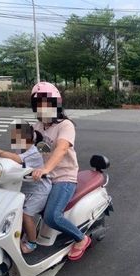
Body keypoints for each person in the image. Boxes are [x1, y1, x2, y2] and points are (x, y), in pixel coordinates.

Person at [30, 81, 91, 261]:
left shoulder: (66, 125)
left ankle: (81, 238)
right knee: (25, 205)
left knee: (51, 216)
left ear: (56, 103)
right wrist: (3, 156)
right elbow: (27, 151)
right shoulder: (36, 127)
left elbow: (62, 148)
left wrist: (46, 168)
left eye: (47, 103)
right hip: (44, 176)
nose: (43, 107)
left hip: (64, 177)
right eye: (38, 104)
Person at [0, 120, 52, 254]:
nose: (14, 139)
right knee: (13, 210)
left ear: (26, 138)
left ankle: (32, 243)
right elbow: (12, 161)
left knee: (26, 215)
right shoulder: (21, 149)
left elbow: (18, 159)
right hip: (25, 188)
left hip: (39, 190)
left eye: (16, 136)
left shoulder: (34, 151)